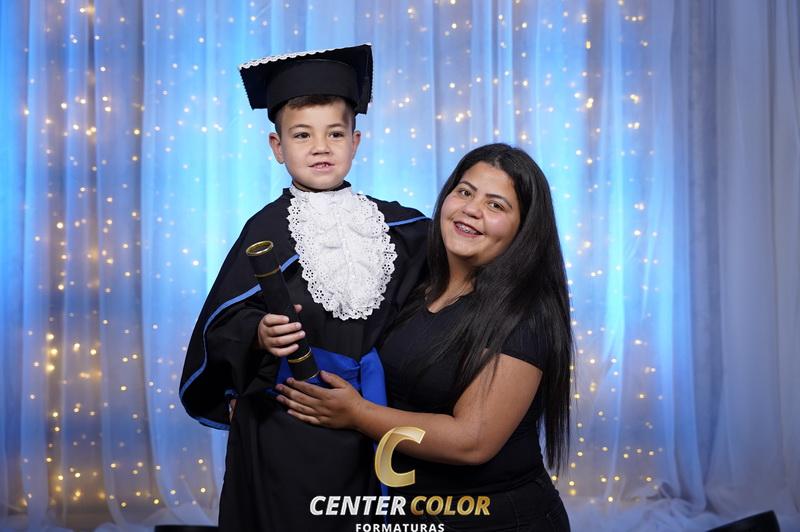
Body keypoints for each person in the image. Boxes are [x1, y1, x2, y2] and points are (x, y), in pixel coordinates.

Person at [178, 44, 428, 531]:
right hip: (291, 417)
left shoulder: (400, 227)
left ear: (355, 142)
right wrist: (259, 334)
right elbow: (223, 322)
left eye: (335, 133)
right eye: (302, 135)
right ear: (277, 147)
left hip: (377, 409)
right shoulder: (265, 231)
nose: (321, 147)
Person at [272, 143, 573, 530]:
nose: (471, 209)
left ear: (524, 229)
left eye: (496, 205)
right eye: (464, 192)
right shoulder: (418, 285)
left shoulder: (525, 312)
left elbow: (472, 441)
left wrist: (357, 415)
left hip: (498, 519)